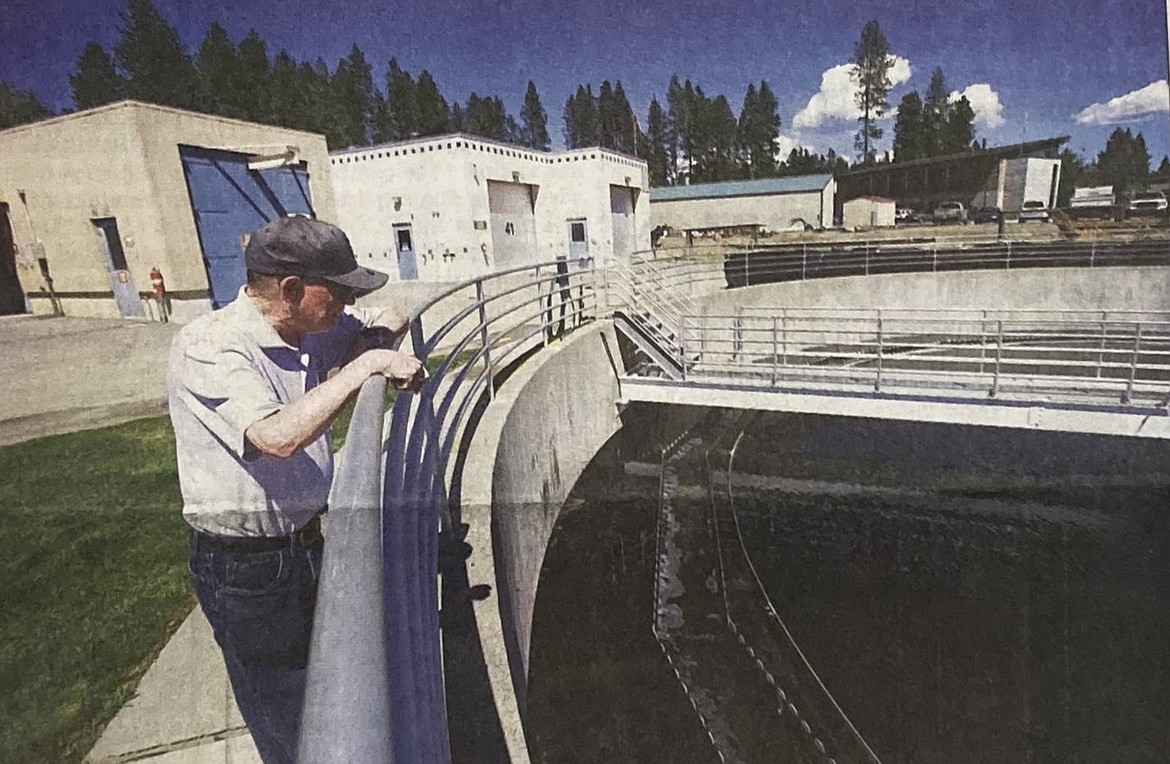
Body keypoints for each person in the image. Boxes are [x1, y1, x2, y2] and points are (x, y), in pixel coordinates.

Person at [167, 216, 425, 764]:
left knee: (336, 698)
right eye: (339, 291)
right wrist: (368, 366)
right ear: (291, 289)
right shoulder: (210, 345)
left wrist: (369, 340)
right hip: (247, 571)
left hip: (307, 544)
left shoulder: (308, 328)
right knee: (291, 730)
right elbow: (275, 436)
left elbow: (389, 316)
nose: (347, 303)